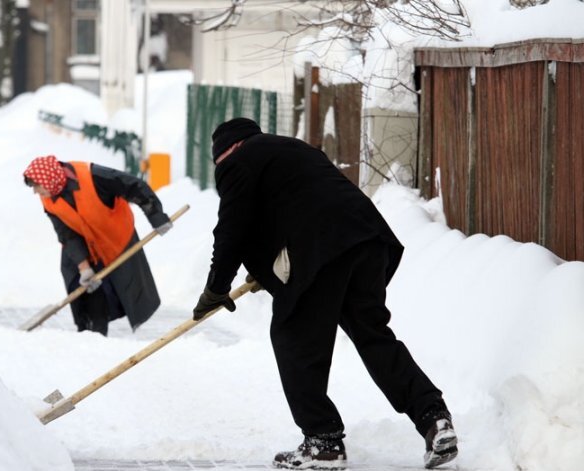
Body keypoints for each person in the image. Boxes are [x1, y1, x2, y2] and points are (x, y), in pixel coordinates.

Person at [192, 118, 457, 470]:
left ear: (225, 151)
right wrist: (260, 269)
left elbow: (232, 229)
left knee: (294, 336)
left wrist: (216, 287)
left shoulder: (237, 161)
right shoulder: (290, 149)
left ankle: (323, 441)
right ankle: (433, 418)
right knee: (372, 336)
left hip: (321, 249)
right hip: (367, 240)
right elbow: (288, 207)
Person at [23, 155, 172, 335]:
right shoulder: (48, 197)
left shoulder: (93, 176)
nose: (35, 192)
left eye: (37, 186)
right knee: (81, 286)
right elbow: (67, 234)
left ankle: (96, 335)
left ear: (49, 178)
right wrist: (83, 267)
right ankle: (90, 335)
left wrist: (156, 216)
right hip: (83, 241)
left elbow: (133, 186)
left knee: (124, 283)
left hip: (114, 235)